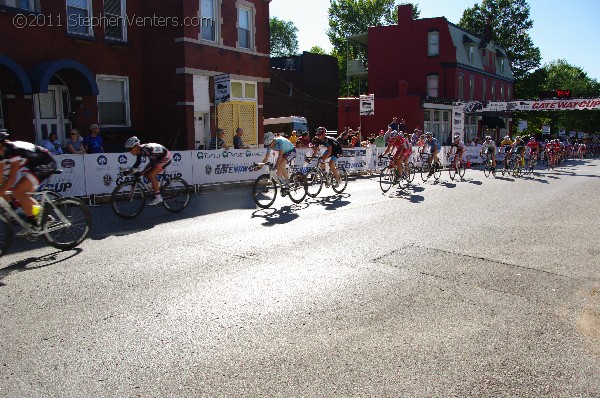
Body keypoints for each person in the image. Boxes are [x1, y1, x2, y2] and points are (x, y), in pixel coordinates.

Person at [0, 130, 57, 231]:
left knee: (18, 191)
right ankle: (39, 216)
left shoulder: (12, 149)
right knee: (21, 194)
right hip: (36, 165)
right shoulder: (3, 152)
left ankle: (35, 224)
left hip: (46, 162)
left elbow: (11, 178)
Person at [123, 136, 172, 206]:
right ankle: (155, 186)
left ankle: (158, 197)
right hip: (158, 157)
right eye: (128, 150)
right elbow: (137, 163)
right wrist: (129, 172)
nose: (129, 151)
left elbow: (153, 165)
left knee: (151, 174)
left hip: (166, 157)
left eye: (130, 149)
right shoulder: (139, 150)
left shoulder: (146, 150)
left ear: (136, 146)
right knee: (146, 173)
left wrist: (141, 173)